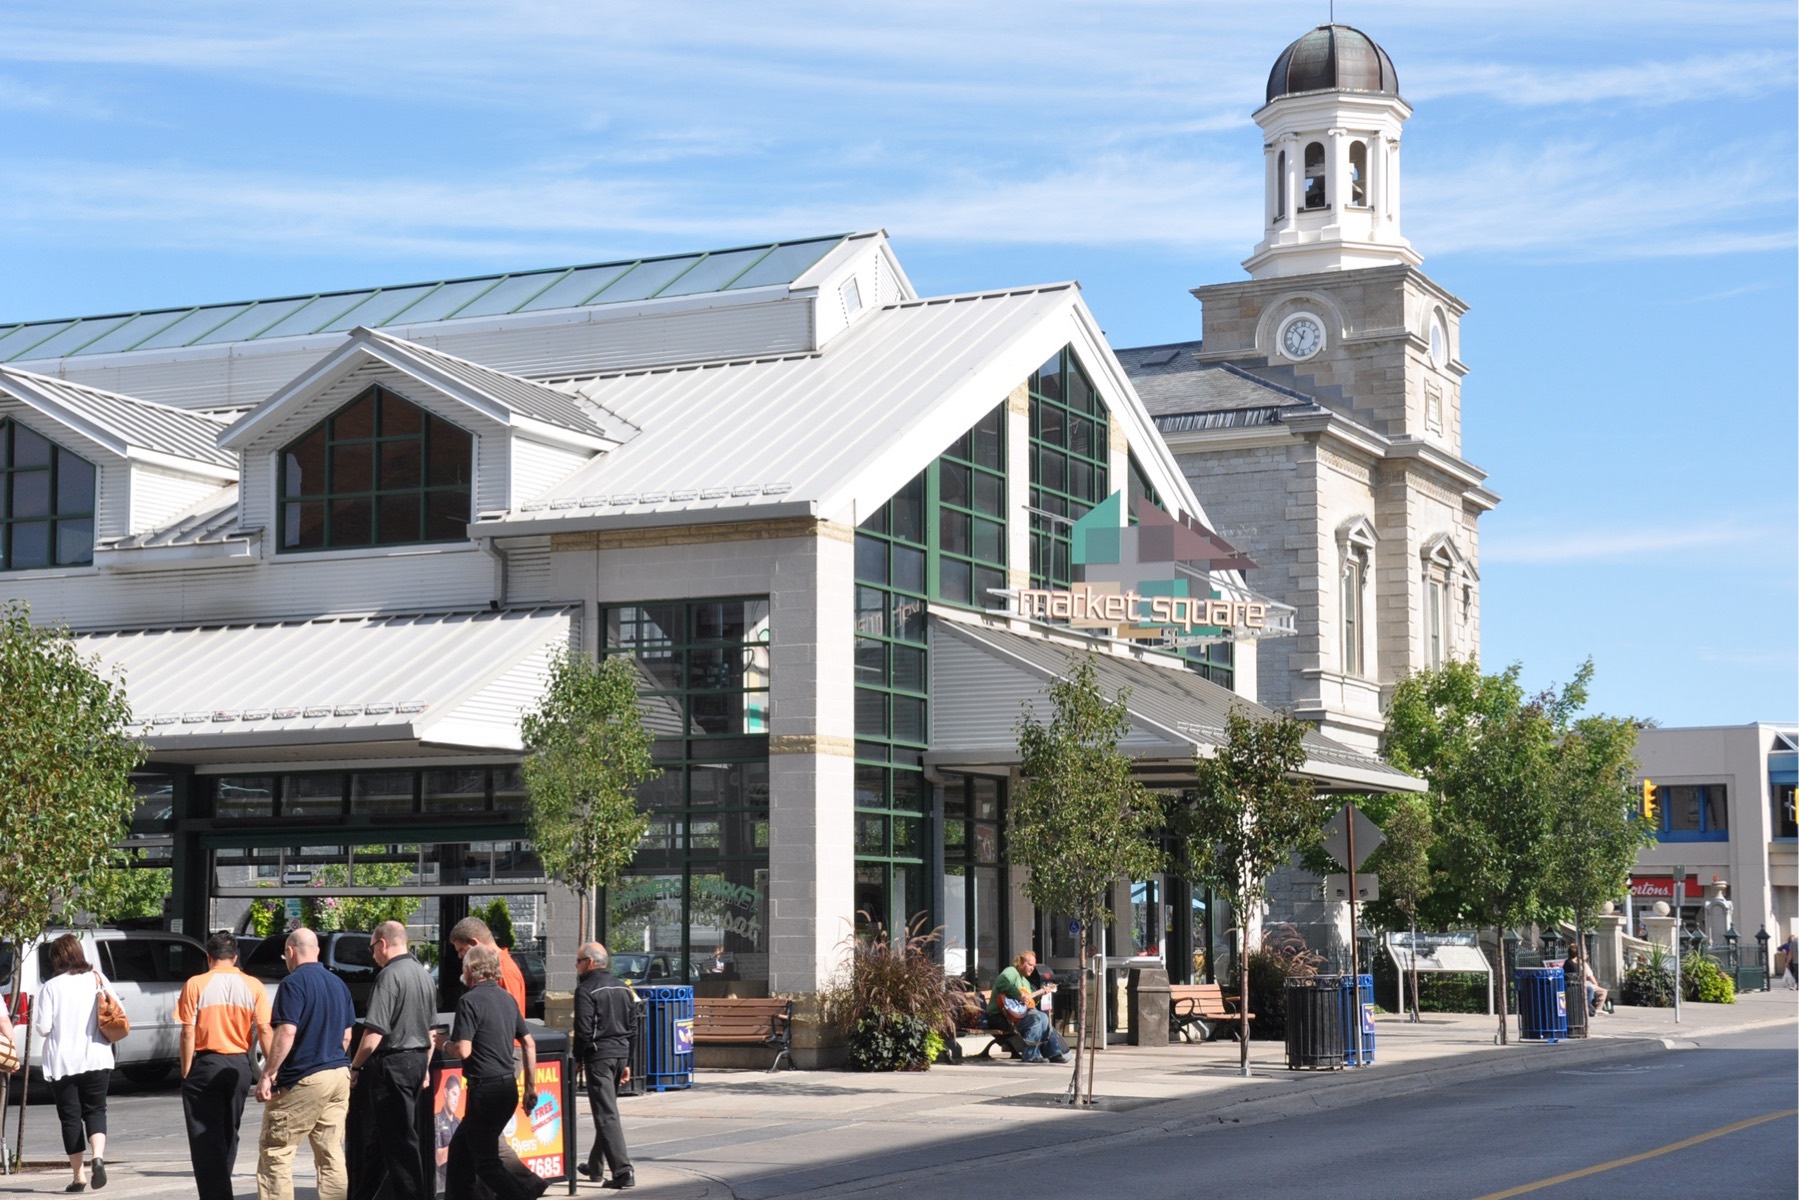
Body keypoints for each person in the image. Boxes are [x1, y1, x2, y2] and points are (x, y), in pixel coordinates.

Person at [255, 927, 355, 1200]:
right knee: (331, 1151)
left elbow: (287, 1031)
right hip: (338, 1074)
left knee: (276, 1151)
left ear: (289, 952)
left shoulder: (293, 983)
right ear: (318, 952)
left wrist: (268, 1073)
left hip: (305, 1076)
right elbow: (347, 1035)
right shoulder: (338, 983)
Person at [179, 930, 274, 1200]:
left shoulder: (196, 984)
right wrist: (271, 1069)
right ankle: (222, 1184)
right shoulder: (253, 985)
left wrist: (187, 1071)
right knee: (228, 1130)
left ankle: (217, 1193)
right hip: (239, 1066)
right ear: (235, 958)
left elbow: (187, 1033)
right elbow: (265, 1031)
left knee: (203, 1137)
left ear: (209, 957)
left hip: (206, 1063)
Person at [348, 921, 436, 1200]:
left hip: (394, 1063)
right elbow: (431, 1032)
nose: (372, 954)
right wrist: (425, 1069)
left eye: (372, 947)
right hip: (417, 1061)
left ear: (383, 944)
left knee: (400, 1142)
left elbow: (374, 1032)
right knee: (383, 1139)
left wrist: (356, 1065)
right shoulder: (423, 975)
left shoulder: (389, 976)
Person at [445, 945, 539, 1200]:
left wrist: (442, 1043)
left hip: (484, 1090)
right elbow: (529, 1043)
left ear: (470, 969)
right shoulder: (506, 998)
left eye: (463, 962)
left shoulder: (469, 1001)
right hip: (507, 1086)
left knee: (487, 1164)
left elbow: (463, 1050)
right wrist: (530, 1088)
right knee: (459, 1154)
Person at [32, 933, 117, 1192]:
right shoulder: (97, 979)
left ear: (57, 959)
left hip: (63, 1062)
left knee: (70, 1118)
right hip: (97, 1055)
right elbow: (115, 1008)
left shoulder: (51, 987)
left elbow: (44, 1028)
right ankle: (98, 1157)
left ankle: (79, 1176)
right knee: (96, 1110)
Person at [572, 942, 636, 1190]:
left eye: (578, 961)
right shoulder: (623, 988)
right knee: (606, 1110)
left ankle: (623, 1171)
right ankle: (595, 1166)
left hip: (600, 1056)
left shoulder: (586, 989)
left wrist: (577, 1057)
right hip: (620, 1053)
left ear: (589, 962)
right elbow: (633, 1028)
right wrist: (628, 1061)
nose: (576, 966)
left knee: (606, 1113)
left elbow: (584, 1030)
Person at [987, 950, 1069, 1064]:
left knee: (1043, 1017)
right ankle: (1030, 1055)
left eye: (1034, 966)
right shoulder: (1011, 972)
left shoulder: (1025, 981)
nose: (1032, 968)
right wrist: (1019, 995)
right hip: (999, 1016)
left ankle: (1053, 1053)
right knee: (1035, 1019)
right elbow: (1001, 983)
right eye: (1030, 965)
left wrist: (1040, 995)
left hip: (1015, 1015)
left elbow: (1029, 1005)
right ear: (1020, 962)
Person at [449, 917, 526, 1015]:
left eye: (461, 950)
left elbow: (511, 1020)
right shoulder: (496, 967)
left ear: (474, 943)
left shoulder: (504, 970)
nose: (460, 956)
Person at [433, 1073, 464, 1197]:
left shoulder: (460, 1123)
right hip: (441, 1187)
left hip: (459, 1184)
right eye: (454, 1093)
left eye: (459, 1096)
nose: (456, 1100)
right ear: (445, 1093)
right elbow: (438, 1158)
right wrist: (462, 1145)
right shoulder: (436, 1120)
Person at [1563, 945, 1606, 1016]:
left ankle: (1589, 1007)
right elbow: (1579, 975)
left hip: (1576, 983)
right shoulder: (1572, 963)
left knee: (1590, 988)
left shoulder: (1571, 962)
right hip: (1574, 984)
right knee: (1590, 989)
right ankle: (1586, 1007)